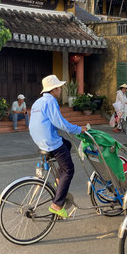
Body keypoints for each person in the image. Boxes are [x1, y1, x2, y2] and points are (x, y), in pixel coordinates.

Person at [29, 75, 87, 218]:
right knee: (69, 170)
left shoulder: (38, 102)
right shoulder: (51, 101)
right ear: (53, 90)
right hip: (50, 142)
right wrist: (78, 129)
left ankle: (58, 181)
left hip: (39, 140)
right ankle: (57, 205)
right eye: (59, 88)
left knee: (66, 144)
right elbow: (59, 122)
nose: (60, 90)